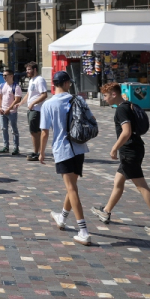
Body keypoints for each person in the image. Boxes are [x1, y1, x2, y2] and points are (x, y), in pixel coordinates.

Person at [91, 83, 150, 236]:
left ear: (114, 94)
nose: (104, 98)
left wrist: (114, 148)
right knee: (118, 183)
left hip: (129, 151)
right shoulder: (127, 104)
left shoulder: (121, 109)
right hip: (135, 148)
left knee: (141, 186)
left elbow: (126, 132)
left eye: (106, 95)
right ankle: (106, 211)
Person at [39, 71, 92, 246]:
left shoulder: (48, 104)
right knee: (72, 187)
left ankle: (83, 231)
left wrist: (41, 152)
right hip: (79, 147)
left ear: (54, 84)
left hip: (62, 149)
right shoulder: (78, 100)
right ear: (67, 83)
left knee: (72, 189)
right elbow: (90, 119)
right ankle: (62, 218)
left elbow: (45, 132)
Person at [24, 61, 49, 161]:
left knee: (34, 132)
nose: (27, 71)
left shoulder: (40, 80)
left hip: (36, 110)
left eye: (29, 69)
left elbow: (44, 94)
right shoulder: (31, 80)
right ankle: (37, 152)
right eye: (27, 70)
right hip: (31, 109)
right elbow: (28, 94)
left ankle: (36, 152)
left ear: (35, 70)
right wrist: (20, 103)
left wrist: (33, 103)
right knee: (35, 132)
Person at [0, 68, 23, 155]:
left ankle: (16, 148)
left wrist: (9, 108)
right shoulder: (2, 85)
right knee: (4, 129)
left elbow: (17, 99)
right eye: (3, 75)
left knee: (14, 130)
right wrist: (0, 107)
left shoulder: (16, 87)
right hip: (2, 111)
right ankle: (6, 146)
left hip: (12, 112)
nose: (4, 77)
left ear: (11, 76)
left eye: (6, 75)